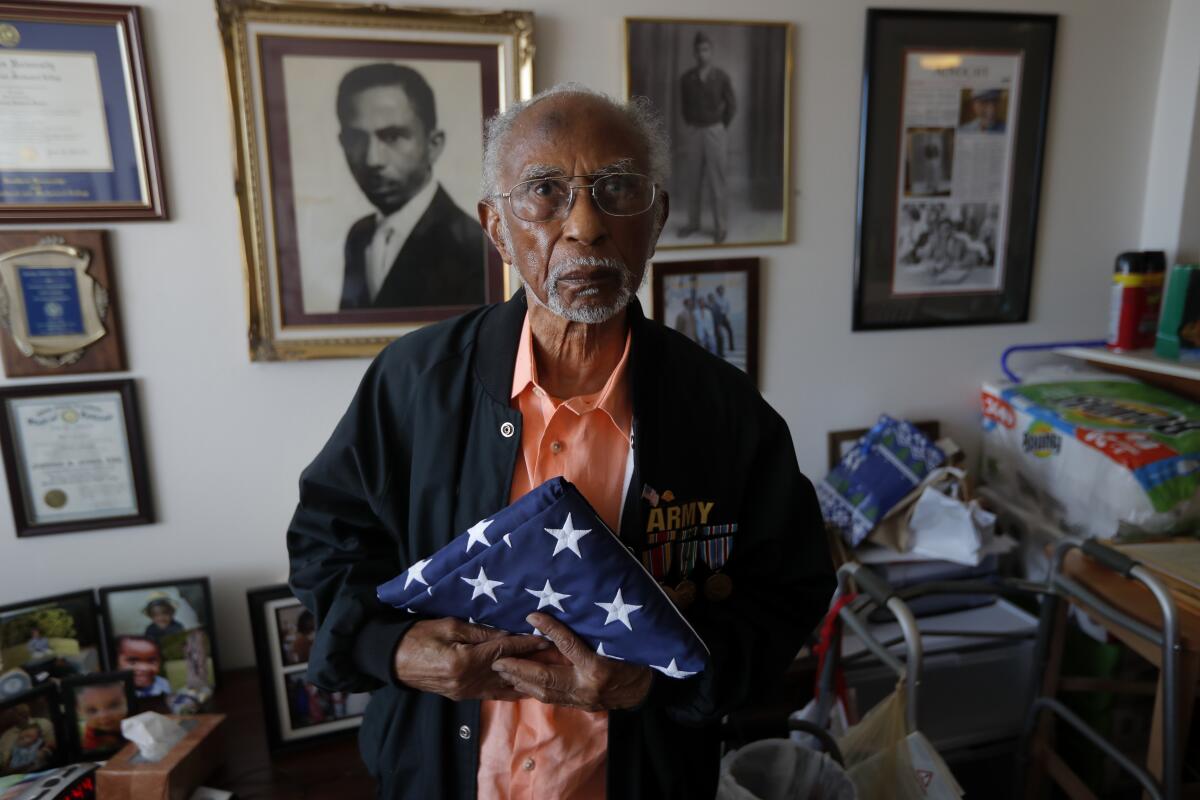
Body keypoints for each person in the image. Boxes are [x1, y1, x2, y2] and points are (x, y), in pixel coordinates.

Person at [287, 84, 834, 800]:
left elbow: (787, 594)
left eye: (618, 190)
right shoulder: (415, 382)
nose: (585, 224)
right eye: (544, 191)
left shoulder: (723, 411)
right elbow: (328, 548)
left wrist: (654, 681)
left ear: (659, 216)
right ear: (495, 226)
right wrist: (389, 650)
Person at [336, 63, 487, 310]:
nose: (372, 159)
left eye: (393, 136)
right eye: (357, 139)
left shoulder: (471, 246)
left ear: (433, 144)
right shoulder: (359, 236)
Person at [678, 31, 736, 244]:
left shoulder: (721, 77)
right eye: (699, 50)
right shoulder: (686, 79)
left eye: (706, 49)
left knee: (717, 182)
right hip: (694, 132)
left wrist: (719, 127)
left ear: (711, 52)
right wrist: (693, 126)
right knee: (692, 180)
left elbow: (731, 106)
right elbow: (684, 107)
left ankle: (720, 227)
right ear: (694, 53)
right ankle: (693, 224)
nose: (702, 54)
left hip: (715, 131)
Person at [75, 683, 127, 754]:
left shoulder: (134, 721)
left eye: (113, 705)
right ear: (79, 712)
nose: (104, 715)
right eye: (92, 710)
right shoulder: (91, 732)